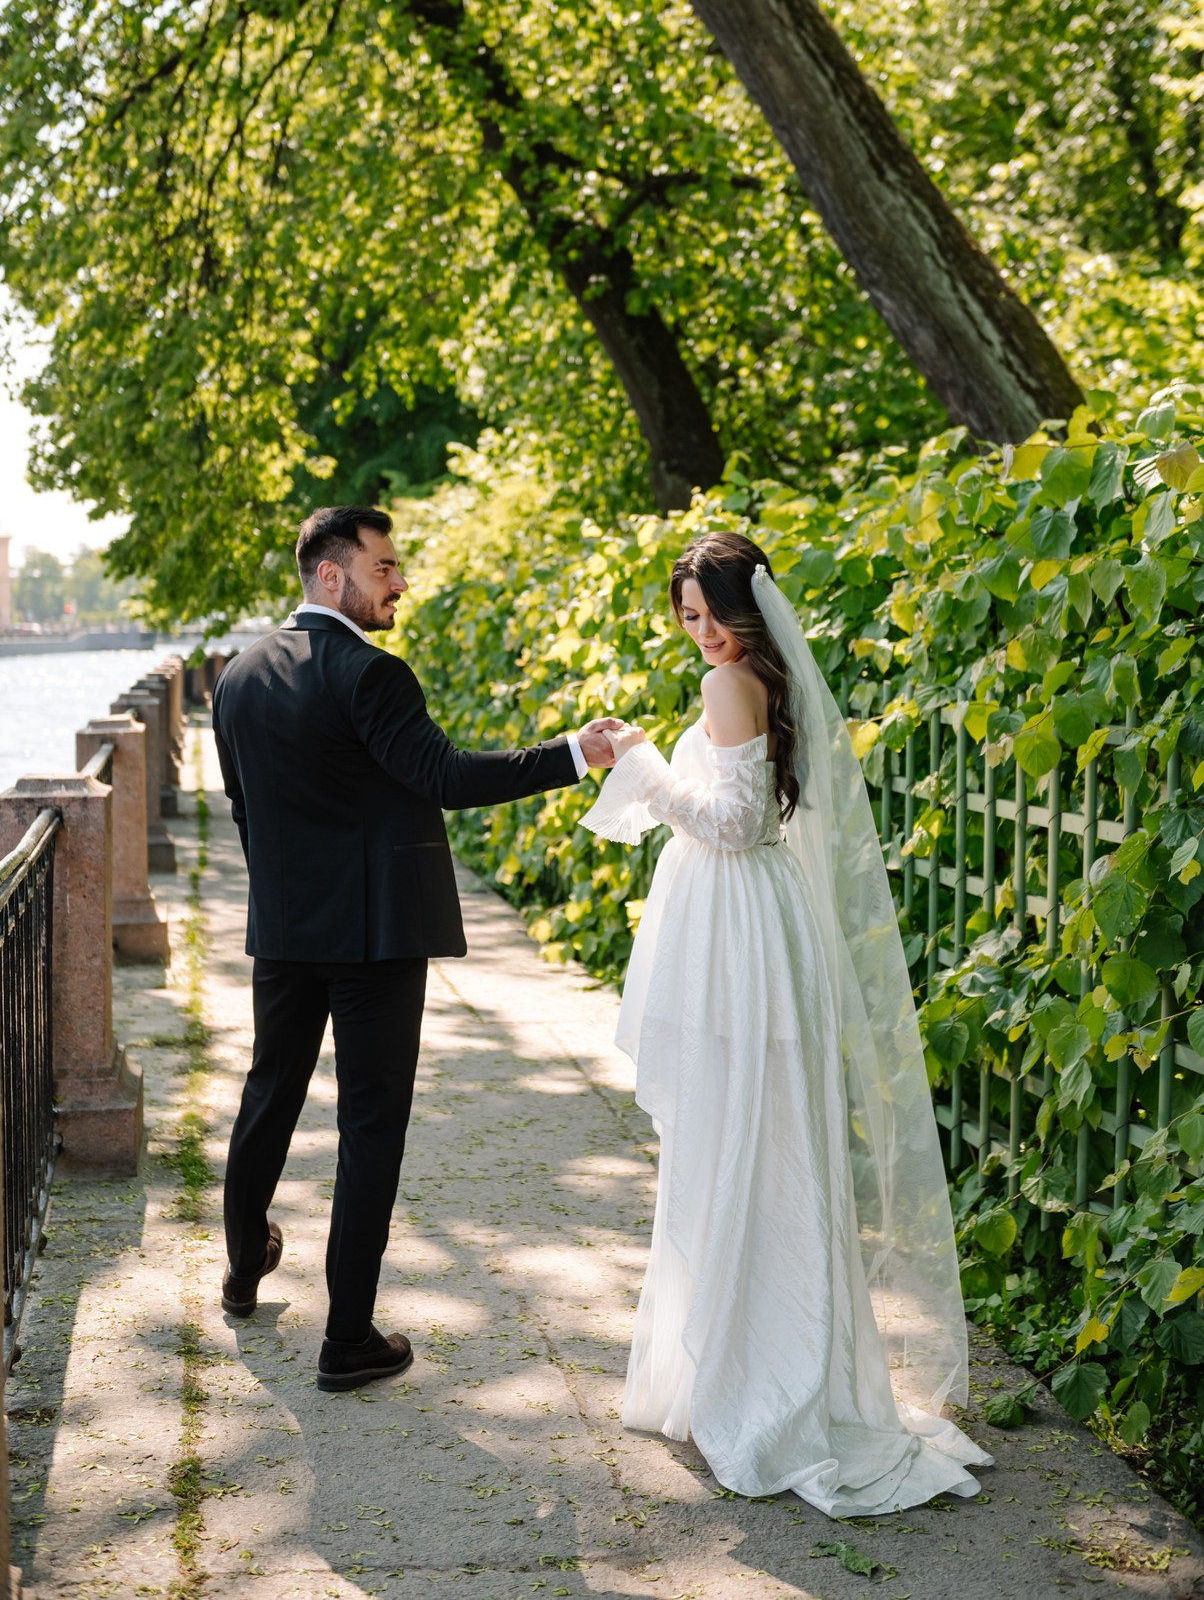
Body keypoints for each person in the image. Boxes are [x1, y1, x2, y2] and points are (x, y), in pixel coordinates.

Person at [579, 531, 990, 1516]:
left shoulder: (731, 686)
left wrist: (637, 762)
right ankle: (750, 1363)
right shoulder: (761, 679)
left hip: (738, 946)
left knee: (741, 1148)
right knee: (759, 1148)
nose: (704, 632)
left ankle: (750, 1381)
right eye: (687, 615)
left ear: (751, 609)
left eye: (715, 610)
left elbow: (732, 824)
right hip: (755, 932)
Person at [212, 505, 618, 1392]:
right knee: (369, 1126)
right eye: (385, 566)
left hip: (284, 931)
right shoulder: (373, 674)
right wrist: (572, 756)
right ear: (332, 575)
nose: (400, 582)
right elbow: (445, 776)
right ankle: (347, 1340)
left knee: (268, 1091)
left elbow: (244, 808)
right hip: (376, 938)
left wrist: (289, 891)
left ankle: (243, 1271)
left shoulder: (236, 676)